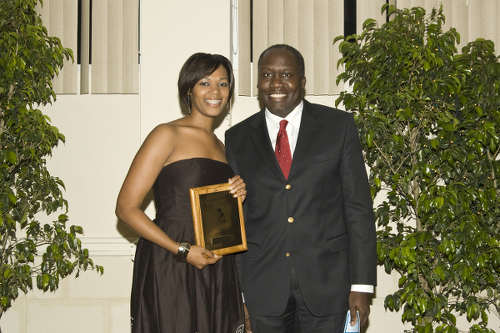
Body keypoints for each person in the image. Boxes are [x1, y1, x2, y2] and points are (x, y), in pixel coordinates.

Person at [225, 44, 377, 333]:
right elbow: (238, 220)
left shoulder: (338, 126)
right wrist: (239, 293)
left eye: (286, 74)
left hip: (328, 286)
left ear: (302, 82)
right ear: (258, 83)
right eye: (267, 74)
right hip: (262, 289)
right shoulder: (237, 138)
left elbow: (358, 208)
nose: (276, 83)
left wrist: (362, 285)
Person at [116, 53, 247, 333]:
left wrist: (238, 195)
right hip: (171, 262)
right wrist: (182, 250)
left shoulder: (223, 147)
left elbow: (216, 211)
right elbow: (126, 208)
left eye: (223, 84)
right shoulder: (167, 134)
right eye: (205, 83)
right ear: (189, 89)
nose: (215, 91)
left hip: (215, 265)